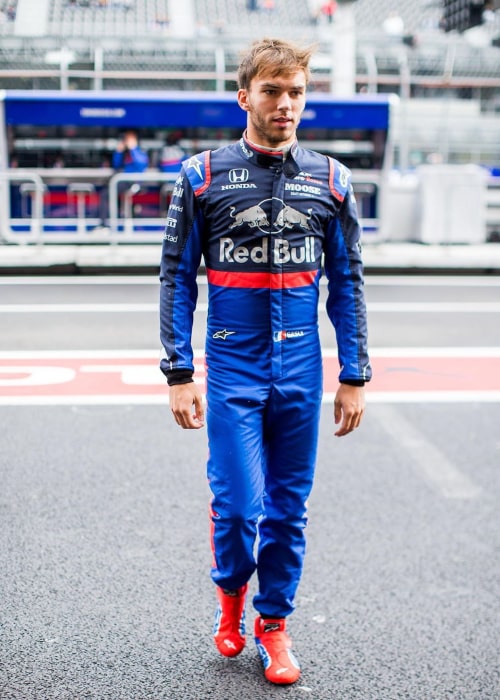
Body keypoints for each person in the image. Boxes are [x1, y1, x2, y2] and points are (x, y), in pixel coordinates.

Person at [159, 37, 371, 686]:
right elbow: (176, 276)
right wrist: (178, 371)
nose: (286, 104)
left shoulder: (331, 179)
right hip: (231, 368)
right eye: (273, 91)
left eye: (297, 92)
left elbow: (349, 280)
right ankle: (231, 598)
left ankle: (272, 625)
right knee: (241, 507)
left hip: (303, 370)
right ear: (244, 95)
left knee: (288, 510)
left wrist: (354, 374)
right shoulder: (202, 175)